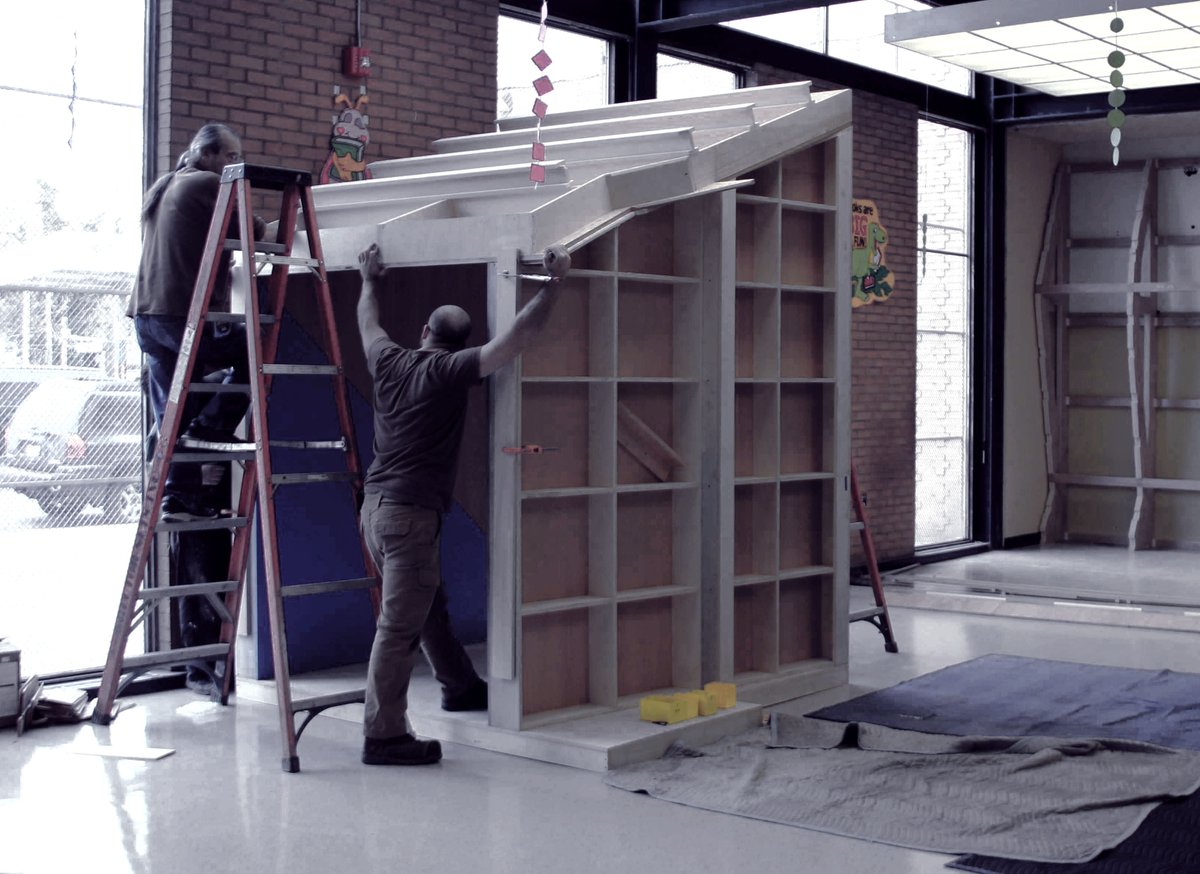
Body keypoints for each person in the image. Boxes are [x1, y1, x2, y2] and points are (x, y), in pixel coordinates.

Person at [355, 241, 569, 766]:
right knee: (399, 625)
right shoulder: (450, 371)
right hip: (409, 514)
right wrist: (554, 284)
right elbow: (517, 339)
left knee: (427, 604)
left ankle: (458, 685)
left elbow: (368, 323)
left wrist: (368, 281)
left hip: (375, 510)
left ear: (424, 333)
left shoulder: (388, 360)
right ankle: (383, 736)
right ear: (456, 345)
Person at [128, 122, 264, 522]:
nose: (235, 164)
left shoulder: (168, 184)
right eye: (231, 156)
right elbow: (250, 230)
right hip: (176, 317)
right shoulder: (207, 183)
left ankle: (177, 498)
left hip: (147, 318)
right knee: (253, 345)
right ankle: (212, 424)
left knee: (171, 410)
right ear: (207, 154)